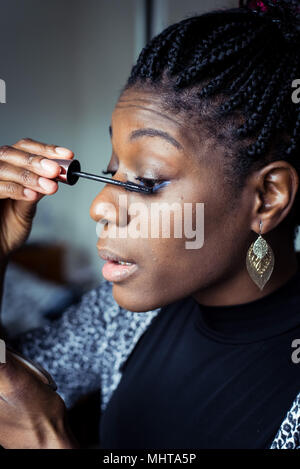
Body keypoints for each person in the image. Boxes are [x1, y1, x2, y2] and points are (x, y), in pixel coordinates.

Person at [0, 0, 300, 449]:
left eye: (147, 179)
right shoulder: (123, 317)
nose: (100, 206)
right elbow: (11, 386)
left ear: (267, 197)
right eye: (111, 167)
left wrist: (46, 442)